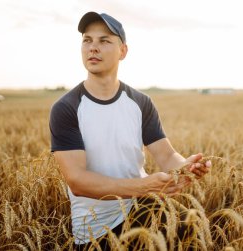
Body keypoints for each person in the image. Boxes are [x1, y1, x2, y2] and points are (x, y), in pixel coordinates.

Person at [49, 11, 211, 250]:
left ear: (123, 51)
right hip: (95, 229)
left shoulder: (140, 102)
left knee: (193, 228)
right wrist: (144, 187)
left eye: (104, 41)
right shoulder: (66, 108)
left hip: (141, 207)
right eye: (87, 40)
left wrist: (184, 167)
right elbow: (78, 181)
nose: (93, 47)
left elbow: (166, 155)